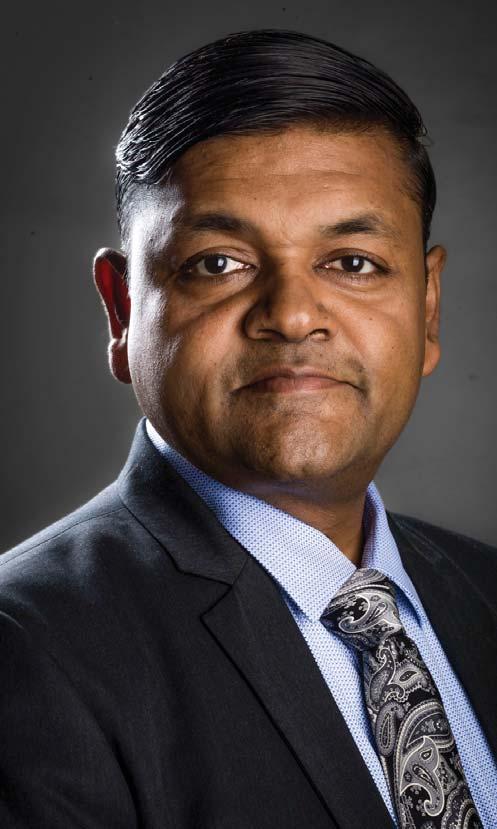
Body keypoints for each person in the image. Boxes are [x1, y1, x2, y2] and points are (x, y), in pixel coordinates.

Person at [0, 28, 495, 829]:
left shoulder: (484, 590)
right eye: (218, 263)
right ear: (122, 312)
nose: (292, 315)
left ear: (427, 307)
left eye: (352, 262)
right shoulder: (28, 649)